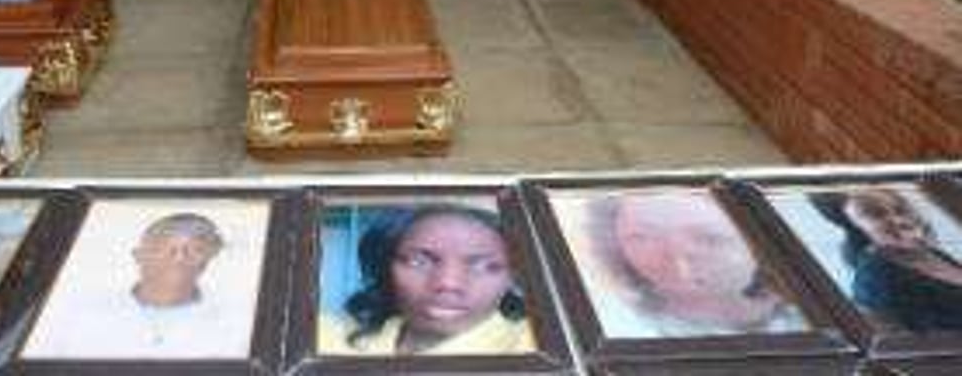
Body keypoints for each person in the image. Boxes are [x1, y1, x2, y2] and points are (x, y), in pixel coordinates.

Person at [20, 211, 249, 359]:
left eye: (195, 249)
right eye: (165, 247)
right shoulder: (77, 312)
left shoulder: (237, 320)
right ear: (139, 255)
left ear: (208, 258)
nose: (179, 257)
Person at [318, 204, 534, 356]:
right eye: (417, 262)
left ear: (512, 277)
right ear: (386, 268)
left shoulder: (541, 347)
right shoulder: (325, 335)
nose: (448, 284)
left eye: (485, 267)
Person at [586, 192, 807, 337]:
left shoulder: (805, 312)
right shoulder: (616, 323)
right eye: (642, 238)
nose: (681, 263)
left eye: (709, 239)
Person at [809, 187, 962, 332]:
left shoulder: (929, 254)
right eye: (876, 215)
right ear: (856, 228)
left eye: (900, 209)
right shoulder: (876, 281)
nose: (899, 220)